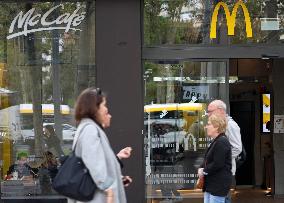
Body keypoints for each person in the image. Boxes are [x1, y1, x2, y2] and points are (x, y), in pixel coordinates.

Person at [69, 87, 129, 203]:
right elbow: (95, 165)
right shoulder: (90, 129)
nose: (106, 110)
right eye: (104, 105)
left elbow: (95, 163)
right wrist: (109, 188)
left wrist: (118, 178)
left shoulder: (89, 128)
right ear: (94, 108)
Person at [207, 100, 242, 203]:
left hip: (224, 172)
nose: (208, 114)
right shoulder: (218, 125)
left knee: (223, 199)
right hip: (218, 172)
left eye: (210, 111)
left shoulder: (230, 125)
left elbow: (237, 148)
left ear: (220, 110)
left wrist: (221, 158)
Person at [198, 114, 232, 203]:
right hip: (212, 185)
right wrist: (201, 168)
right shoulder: (217, 141)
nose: (206, 127)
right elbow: (208, 159)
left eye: (209, 124)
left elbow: (218, 163)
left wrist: (203, 170)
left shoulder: (222, 141)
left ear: (216, 127)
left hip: (218, 186)